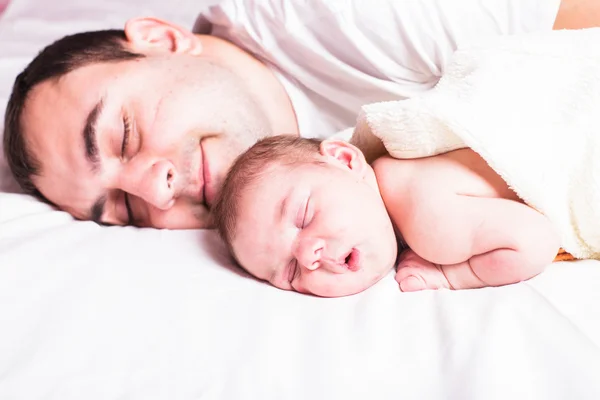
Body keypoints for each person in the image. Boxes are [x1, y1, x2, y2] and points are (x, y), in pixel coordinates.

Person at [3, 0, 600, 229]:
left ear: (161, 38)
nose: (156, 193)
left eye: (125, 135)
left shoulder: (337, 17)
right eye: (124, 209)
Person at [211, 135, 560, 297]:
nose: (308, 256)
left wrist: (450, 275)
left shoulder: (427, 218)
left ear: (346, 161)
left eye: (303, 216)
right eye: (289, 272)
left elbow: (534, 243)